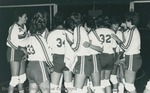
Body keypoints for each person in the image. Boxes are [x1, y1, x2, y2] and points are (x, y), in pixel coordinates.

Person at [20, 12, 54, 93]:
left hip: (29, 67)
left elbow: (21, 44)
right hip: (39, 66)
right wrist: (51, 66)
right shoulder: (40, 39)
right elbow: (46, 54)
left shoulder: (29, 38)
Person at [111, 12, 142, 93]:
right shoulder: (132, 30)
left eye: (126, 20)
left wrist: (116, 39)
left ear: (129, 20)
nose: (125, 22)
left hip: (132, 58)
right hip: (131, 57)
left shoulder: (132, 31)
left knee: (129, 85)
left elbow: (126, 47)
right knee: (125, 82)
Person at [6, 9, 28, 93]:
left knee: (22, 78)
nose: (27, 18)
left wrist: (26, 52)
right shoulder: (13, 27)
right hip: (14, 52)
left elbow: (25, 41)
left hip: (22, 53)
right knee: (14, 80)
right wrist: (21, 48)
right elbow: (9, 41)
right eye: (25, 17)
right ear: (19, 17)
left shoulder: (24, 27)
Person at [95, 15, 117, 93]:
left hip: (101, 56)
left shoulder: (96, 31)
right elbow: (114, 47)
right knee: (107, 81)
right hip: (110, 56)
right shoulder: (111, 32)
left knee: (100, 81)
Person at [47, 12, 66, 93]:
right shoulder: (69, 33)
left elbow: (48, 50)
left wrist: (49, 64)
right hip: (66, 58)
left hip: (56, 59)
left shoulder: (51, 34)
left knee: (54, 86)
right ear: (64, 22)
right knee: (66, 83)